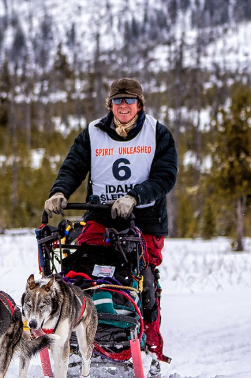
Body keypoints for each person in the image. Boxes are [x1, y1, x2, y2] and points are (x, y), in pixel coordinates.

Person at [44, 77, 177, 361]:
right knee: (84, 266)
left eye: (130, 100)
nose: (124, 105)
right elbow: (74, 166)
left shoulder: (157, 133)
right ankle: (87, 323)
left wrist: (135, 196)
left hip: (145, 218)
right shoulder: (93, 132)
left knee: (145, 278)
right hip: (102, 216)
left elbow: (165, 176)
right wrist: (60, 191)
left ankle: (148, 342)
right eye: (118, 100)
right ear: (110, 104)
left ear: (139, 104)